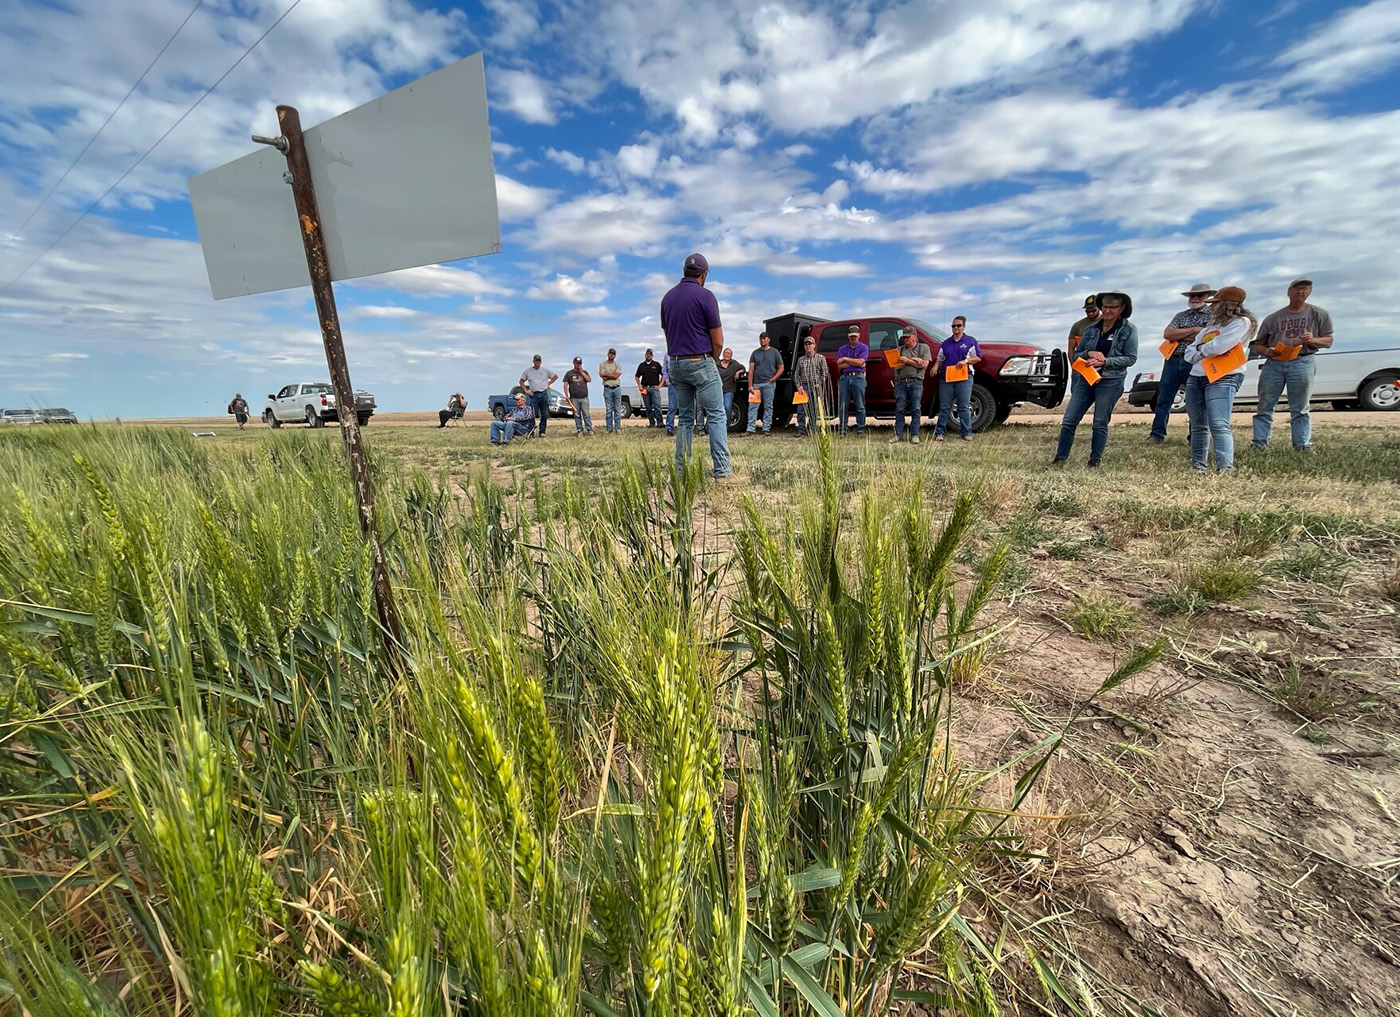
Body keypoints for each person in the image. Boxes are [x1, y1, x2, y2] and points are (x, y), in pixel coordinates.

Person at [658, 252, 731, 479]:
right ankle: (722, 471)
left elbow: (667, 332)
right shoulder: (705, 296)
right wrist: (713, 359)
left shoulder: (667, 298)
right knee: (717, 415)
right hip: (700, 360)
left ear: (684, 272)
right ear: (704, 274)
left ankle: (681, 472)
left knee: (686, 418)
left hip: (676, 363)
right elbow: (717, 340)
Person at [1053, 291, 1139, 467]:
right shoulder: (1091, 329)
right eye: (1105, 306)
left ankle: (1094, 460)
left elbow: (1131, 358)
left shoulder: (1129, 330)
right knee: (1069, 420)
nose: (1107, 311)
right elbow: (1077, 353)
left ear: (1122, 309)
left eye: (1113, 307)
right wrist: (1089, 353)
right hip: (1086, 378)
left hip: (1111, 381)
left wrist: (1105, 361)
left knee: (1100, 422)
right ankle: (1060, 459)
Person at [1251, 278, 1334, 452]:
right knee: (1265, 405)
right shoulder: (1273, 318)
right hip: (1274, 363)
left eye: (1304, 289)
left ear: (1309, 292)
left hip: (1303, 361)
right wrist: (1266, 351)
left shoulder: (1319, 314)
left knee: (1300, 407)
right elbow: (1258, 344)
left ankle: (1302, 445)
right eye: (1296, 289)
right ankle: (1259, 444)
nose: (1300, 292)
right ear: (1289, 292)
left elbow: (1328, 341)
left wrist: (1314, 340)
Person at [1183, 286, 1256, 474]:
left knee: (1218, 423)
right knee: (1198, 424)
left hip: (1224, 376)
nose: (1211, 307)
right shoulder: (1211, 327)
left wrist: (1201, 350)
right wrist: (1202, 350)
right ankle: (1198, 465)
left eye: (1214, 303)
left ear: (1226, 305)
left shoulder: (1242, 323)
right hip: (1197, 376)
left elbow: (1220, 347)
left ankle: (1225, 467)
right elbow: (1188, 352)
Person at [1151, 284, 1215, 444]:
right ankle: (1156, 435)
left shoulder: (1213, 315)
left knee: (1195, 400)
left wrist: (1180, 334)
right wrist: (1195, 330)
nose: (1195, 298)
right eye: (1192, 296)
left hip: (1195, 361)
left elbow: (1208, 337)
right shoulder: (1181, 315)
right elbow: (1168, 334)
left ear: (1207, 297)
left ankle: (1195, 437)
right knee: (1164, 399)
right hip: (1173, 359)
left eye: (1199, 295)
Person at [932, 317, 980, 441]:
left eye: (958, 326)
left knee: (963, 406)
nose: (956, 328)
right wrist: (935, 367)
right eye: (953, 326)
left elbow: (977, 357)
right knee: (944, 406)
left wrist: (965, 361)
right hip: (947, 378)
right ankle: (940, 432)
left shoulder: (970, 341)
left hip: (964, 377)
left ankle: (966, 432)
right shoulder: (946, 343)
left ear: (964, 326)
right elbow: (940, 358)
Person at [791, 333, 832, 436]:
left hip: (815, 386)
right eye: (806, 344)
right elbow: (796, 374)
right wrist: (799, 386)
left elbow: (825, 372)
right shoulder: (801, 360)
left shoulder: (820, 358)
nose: (808, 346)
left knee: (814, 410)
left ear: (814, 345)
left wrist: (819, 383)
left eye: (810, 344)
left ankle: (812, 430)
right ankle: (801, 430)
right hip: (803, 387)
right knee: (800, 410)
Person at [745, 331, 784, 435]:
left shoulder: (774, 352)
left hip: (769, 384)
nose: (762, 340)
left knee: (768, 406)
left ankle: (766, 428)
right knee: (753, 407)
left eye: (764, 338)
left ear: (768, 340)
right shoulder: (755, 353)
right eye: (761, 338)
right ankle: (750, 429)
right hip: (756, 385)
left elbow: (781, 367)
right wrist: (750, 385)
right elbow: (751, 370)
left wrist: (774, 378)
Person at [834, 324, 868, 436]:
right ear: (848, 336)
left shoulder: (864, 347)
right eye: (851, 336)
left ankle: (860, 430)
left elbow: (861, 362)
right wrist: (855, 362)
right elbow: (840, 365)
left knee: (860, 405)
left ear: (859, 335)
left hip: (858, 377)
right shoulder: (842, 349)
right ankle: (843, 430)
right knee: (843, 405)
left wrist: (846, 359)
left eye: (855, 336)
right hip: (845, 378)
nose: (853, 338)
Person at [520, 354, 557, 437]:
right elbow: (521, 381)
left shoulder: (545, 371)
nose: (537, 362)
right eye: (536, 361)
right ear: (533, 361)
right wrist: (526, 390)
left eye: (539, 361)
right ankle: (531, 432)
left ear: (541, 362)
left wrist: (548, 384)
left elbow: (555, 376)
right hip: (534, 395)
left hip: (543, 394)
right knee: (532, 414)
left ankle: (542, 432)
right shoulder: (528, 371)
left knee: (544, 414)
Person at [563, 357, 593, 436]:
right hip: (574, 398)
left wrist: (581, 371)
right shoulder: (569, 373)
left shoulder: (584, 372)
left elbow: (589, 380)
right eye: (577, 363)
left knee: (586, 414)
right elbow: (565, 384)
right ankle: (579, 430)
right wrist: (567, 395)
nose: (578, 365)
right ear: (574, 363)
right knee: (577, 415)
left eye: (579, 364)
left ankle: (589, 430)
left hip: (584, 397)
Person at [716, 348, 743, 432]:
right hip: (718, 390)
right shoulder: (717, 364)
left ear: (731, 356)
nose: (727, 355)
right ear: (723, 355)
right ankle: (713, 427)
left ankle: (726, 427)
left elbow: (743, 368)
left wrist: (738, 373)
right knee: (717, 409)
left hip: (729, 390)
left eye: (729, 353)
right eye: (725, 353)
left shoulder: (734, 364)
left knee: (727, 406)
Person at [635, 349, 664, 427]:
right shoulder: (641, 365)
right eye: (647, 354)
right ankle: (651, 422)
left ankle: (660, 422)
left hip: (654, 388)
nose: (648, 355)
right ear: (645, 355)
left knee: (657, 406)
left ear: (652, 356)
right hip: (645, 388)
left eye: (650, 354)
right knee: (648, 407)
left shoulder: (657, 365)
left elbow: (663, 375)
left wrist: (660, 385)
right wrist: (639, 385)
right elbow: (637, 376)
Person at [1067, 295, 1100, 361]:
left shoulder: (1107, 322)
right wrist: (1073, 366)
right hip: (1084, 363)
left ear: (1099, 308)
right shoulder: (1077, 326)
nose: (1090, 313)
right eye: (1087, 311)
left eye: (1093, 311)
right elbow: (1071, 350)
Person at [599, 348, 623, 433]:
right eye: (610, 353)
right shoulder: (602, 364)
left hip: (616, 388)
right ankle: (609, 428)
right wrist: (612, 375)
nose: (611, 355)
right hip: (607, 388)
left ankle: (617, 427)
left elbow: (616, 376)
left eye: (613, 354)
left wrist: (607, 374)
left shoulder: (618, 365)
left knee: (617, 409)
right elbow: (602, 376)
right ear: (608, 354)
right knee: (609, 409)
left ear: (615, 355)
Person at [662, 354, 679, 436]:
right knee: (672, 406)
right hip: (672, 384)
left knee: (685, 407)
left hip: (683, 383)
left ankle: (683, 428)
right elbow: (664, 369)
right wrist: (667, 381)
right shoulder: (667, 355)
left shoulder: (684, 351)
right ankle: (669, 428)